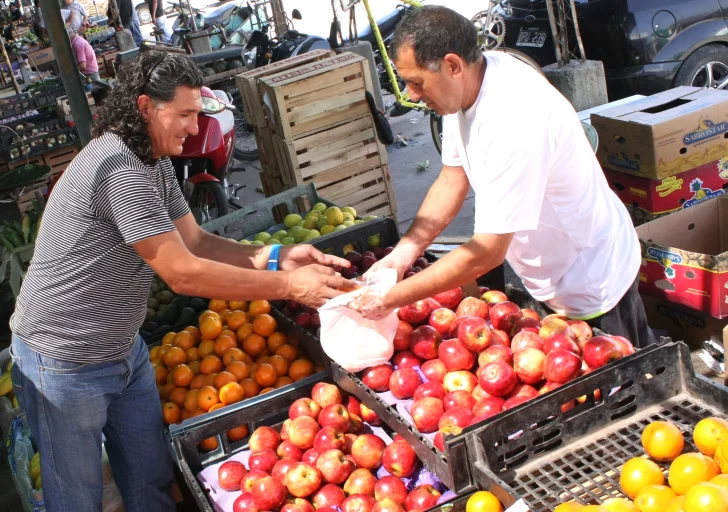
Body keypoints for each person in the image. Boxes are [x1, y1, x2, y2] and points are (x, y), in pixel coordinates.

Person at [8, 51, 352, 511]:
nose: (193, 128)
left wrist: (278, 258)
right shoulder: (119, 167)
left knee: (152, 482)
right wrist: (290, 287)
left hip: (122, 351)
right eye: (184, 114)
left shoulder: (152, 160)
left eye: (197, 113)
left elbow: (198, 244)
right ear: (147, 107)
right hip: (65, 361)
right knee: (76, 501)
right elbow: (182, 272)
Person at [350, 6, 655, 348]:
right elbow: (453, 179)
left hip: (591, 276)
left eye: (416, 82)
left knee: (625, 382)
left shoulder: (511, 117)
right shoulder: (466, 87)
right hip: (547, 272)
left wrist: (391, 297)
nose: (411, 95)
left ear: (453, 65)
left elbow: (487, 252)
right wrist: (402, 254)